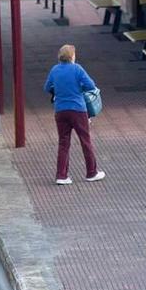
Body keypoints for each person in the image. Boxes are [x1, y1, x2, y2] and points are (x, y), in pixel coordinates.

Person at [44, 44, 104, 185]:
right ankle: (91, 172)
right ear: (72, 56)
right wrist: (78, 87)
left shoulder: (54, 70)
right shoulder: (77, 69)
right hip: (77, 109)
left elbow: (47, 87)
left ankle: (61, 175)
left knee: (63, 143)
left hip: (60, 111)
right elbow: (91, 85)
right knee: (85, 141)